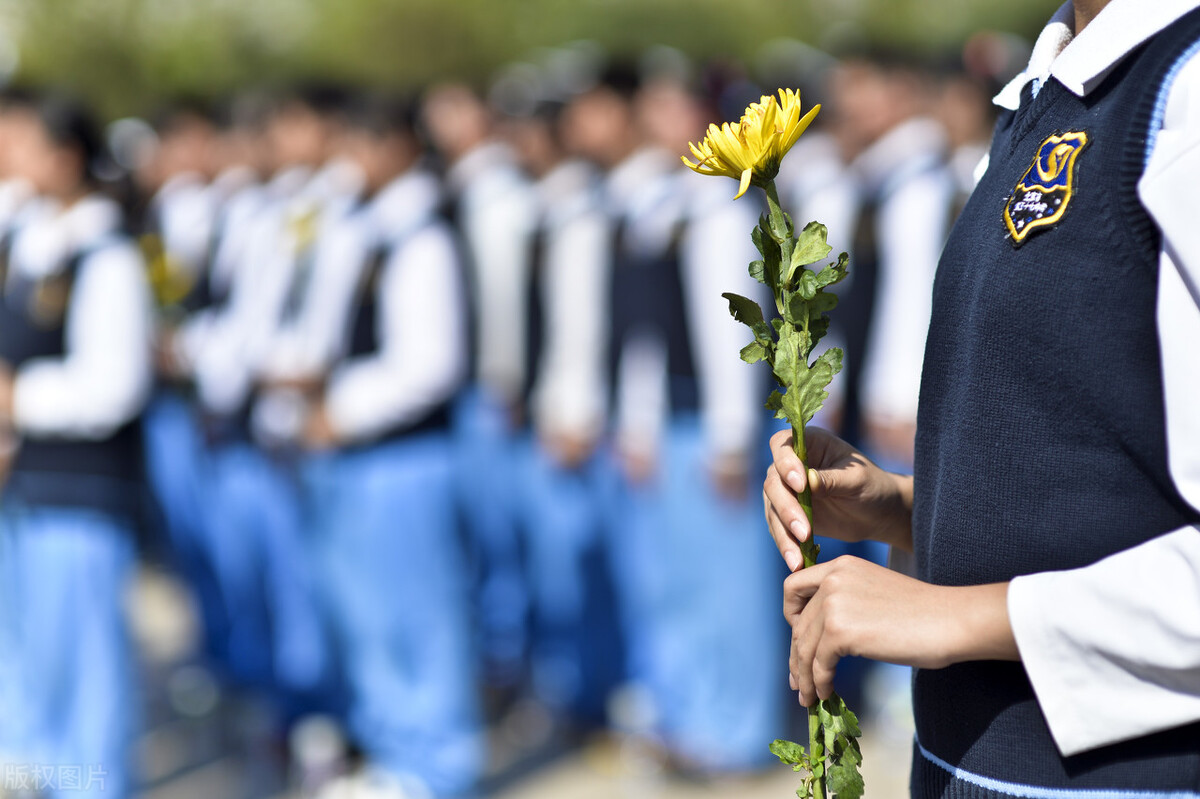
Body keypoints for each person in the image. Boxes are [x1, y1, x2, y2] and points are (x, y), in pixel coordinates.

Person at [762, 0, 1200, 794]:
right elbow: (1100, 477)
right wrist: (901, 509)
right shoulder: (1049, 93)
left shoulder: (1183, 91)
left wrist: (950, 616)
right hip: (969, 763)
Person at [0, 94, 153, 799]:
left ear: (65, 157)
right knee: (30, 671)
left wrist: (16, 399)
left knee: (85, 678)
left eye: (18, 142)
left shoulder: (106, 256)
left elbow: (113, 386)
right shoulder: (27, 241)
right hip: (25, 490)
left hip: (79, 494)